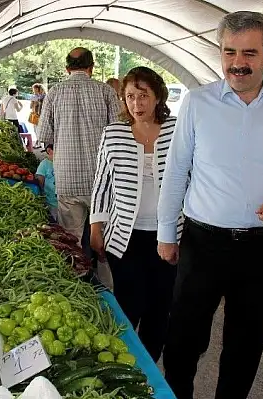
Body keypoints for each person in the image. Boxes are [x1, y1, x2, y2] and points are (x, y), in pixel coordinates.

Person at [156, 11, 263, 399]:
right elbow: (176, 171)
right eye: (229, 52)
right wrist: (167, 234)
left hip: (261, 248)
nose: (237, 63)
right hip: (202, 243)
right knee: (183, 339)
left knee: (245, 344)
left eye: (249, 53)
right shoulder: (198, 103)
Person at [90, 66, 179, 362]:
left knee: (161, 307)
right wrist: (95, 227)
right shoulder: (113, 133)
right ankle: (126, 362)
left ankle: (149, 366)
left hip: (169, 237)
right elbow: (102, 182)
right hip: (124, 238)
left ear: (157, 98)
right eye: (130, 96)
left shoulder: (177, 130)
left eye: (143, 96)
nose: (136, 104)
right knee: (129, 303)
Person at [36, 47, 121, 243]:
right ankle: (104, 272)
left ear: (67, 69)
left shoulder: (54, 92)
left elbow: (44, 135)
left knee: (71, 240)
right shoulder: (105, 91)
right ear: (91, 67)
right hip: (101, 180)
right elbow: (120, 132)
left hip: (67, 180)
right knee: (106, 238)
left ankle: (77, 272)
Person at [36, 144, 58, 221]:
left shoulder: (62, 163)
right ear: (49, 151)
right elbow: (40, 181)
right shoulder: (44, 164)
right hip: (51, 202)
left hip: (64, 201)